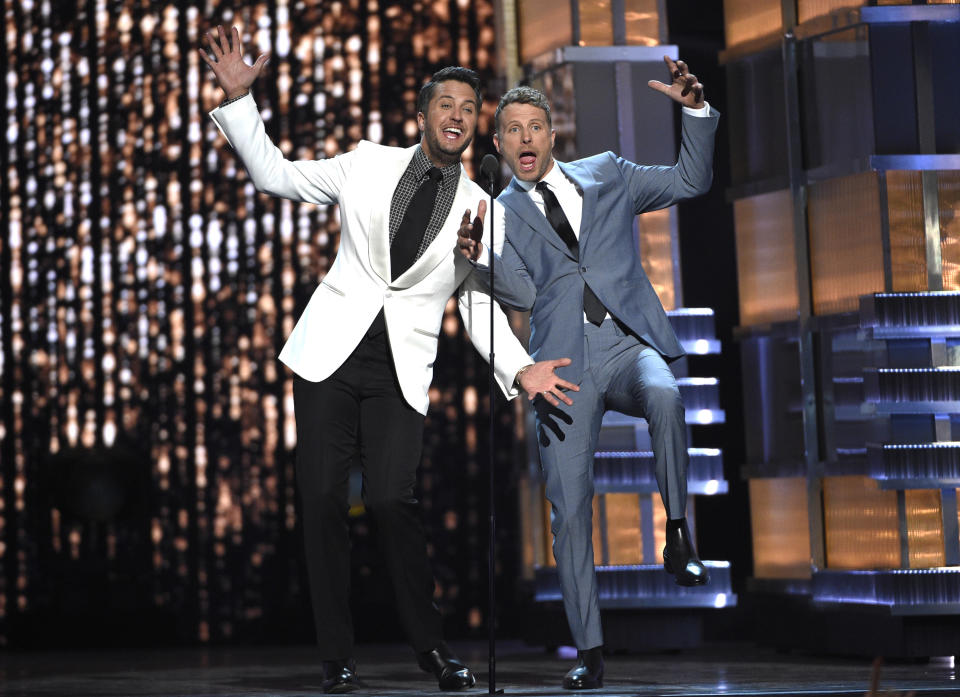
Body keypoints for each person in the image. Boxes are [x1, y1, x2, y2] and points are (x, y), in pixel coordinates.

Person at [199, 25, 577, 694]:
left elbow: (477, 305)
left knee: (390, 501)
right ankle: (335, 656)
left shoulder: (482, 209)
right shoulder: (367, 162)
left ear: (474, 125)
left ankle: (431, 649)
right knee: (319, 501)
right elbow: (277, 176)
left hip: (400, 370)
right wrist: (238, 102)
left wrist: (519, 366)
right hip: (330, 358)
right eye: (446, 104)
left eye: (468, 108)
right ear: (424, 112)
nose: (457, 116)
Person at [457, 56, 718, 690]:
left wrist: (695, 112)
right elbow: (518, 294)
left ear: (552, 135)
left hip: (627, 345)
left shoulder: (608, 174)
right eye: (511, 129)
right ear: (497, 145)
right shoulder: (502, 215)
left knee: (664, 394)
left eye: (533, 127)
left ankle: (678, 534)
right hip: (562, 366)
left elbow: (690, 180)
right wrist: (475, 263)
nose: (523, 138)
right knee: (569, 512)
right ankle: (590, 654)